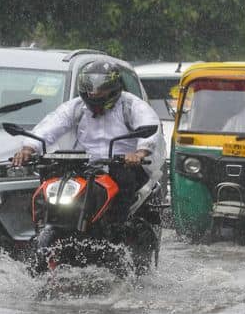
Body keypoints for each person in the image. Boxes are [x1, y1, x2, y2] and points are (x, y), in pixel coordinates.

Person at [11, 59, 164, 221]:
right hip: (84, 167)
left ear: (113, 88)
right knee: (50, 180)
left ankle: (118, 228)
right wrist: (28, 149)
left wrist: (139, 153)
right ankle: (44, 224)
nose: (93, 94)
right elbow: (51, 125)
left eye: (100, 90)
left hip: (122, 165)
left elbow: (148, 125)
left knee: (124, 183)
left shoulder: (132, 105)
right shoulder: (75, 107)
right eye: (89, 89)